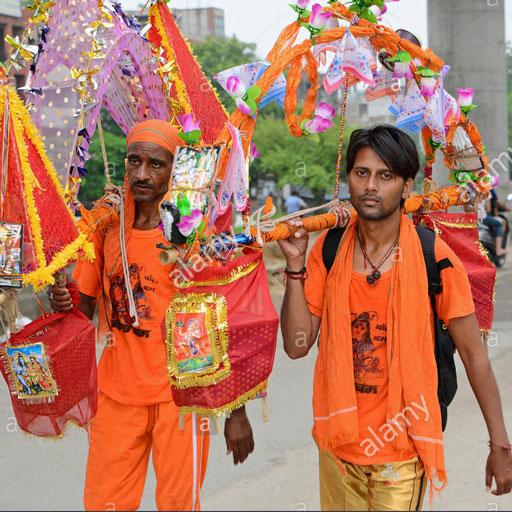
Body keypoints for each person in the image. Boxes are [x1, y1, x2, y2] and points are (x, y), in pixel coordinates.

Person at [278, 125, 512, 510]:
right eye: (362, 173)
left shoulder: (432, 256)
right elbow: (296, 345)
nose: (371, 185)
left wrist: (500, 443)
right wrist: (294, 267)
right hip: (338, 446)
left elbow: (474, 354)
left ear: (406, 187)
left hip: (402, 451)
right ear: (349, 179)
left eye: (385, 176)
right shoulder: (330, 249)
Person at [50, 120, 254, 511]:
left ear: (174, 169)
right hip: (116, 394)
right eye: (134, 161)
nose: (142, 174)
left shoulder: (192, 232)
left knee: (177, 504)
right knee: (102, 501)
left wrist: (235, 411)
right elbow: (81, 311)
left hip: (182, 396)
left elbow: (220, 322)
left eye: (156, 164)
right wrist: (61, 295)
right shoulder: (105, 224)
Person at [483, 187, 509, 257]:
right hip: (482, 218)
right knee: (499, 224)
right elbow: (488, 209)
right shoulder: (487, 191)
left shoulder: (469, 190)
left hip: (470, 218)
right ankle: (498, 249)